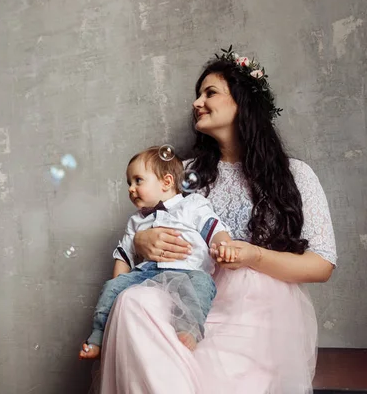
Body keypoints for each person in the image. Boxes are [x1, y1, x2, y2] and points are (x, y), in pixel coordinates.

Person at [98, 47, 337, 394]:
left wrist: (252, 256)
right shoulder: (185, 174)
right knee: (131, 303)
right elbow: (143, 227)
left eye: (209, 93)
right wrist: (141, 243)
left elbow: (322, 264)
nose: (197, 102)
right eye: (197, 95)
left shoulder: (295, 174)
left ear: (243, 102)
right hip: (189, 294)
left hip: (255, 309)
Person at [79, 147, 235, 359]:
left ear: (166, 182)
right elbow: (124, 254)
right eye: (129, 183)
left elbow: (212, 227)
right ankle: (99, 336)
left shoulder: (191, 204)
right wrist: (118, 284)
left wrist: (224, 245)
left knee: (202, 287)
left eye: (138, 180)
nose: (131, 189)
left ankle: (188, 330)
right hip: (147, 273)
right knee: (111, 287)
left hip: (188, 270)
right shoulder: (136, 220)